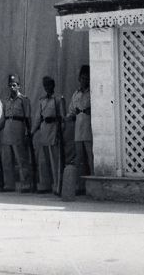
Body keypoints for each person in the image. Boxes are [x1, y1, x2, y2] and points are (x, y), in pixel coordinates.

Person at [0, 74, 32, 193]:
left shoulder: (24, 100)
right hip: (7, 131)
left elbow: (28, 118)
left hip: (18, 130)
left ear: (19, 86)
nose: (12, 87)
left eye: (14, 85)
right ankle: (9, 184)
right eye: (10, 85)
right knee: (7, 159)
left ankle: (26, 184)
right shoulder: (6, 101)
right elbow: (3, 118)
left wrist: (28, 132)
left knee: (21, 159)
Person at [33, 76, 64, 195]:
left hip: (54, 130)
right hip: (44, 131)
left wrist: (60, 131)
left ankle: (57, 185)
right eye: (45, 85)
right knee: (43, 161)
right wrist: (32, 131)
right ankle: (45, 185)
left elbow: (62, 116)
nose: (47, 87)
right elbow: (38, 118)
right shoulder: (42, 100)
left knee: (55, 160)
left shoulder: (57, 99)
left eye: (49, 85)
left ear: (53, 86)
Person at [68, 65, 93, 194]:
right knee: (79, 159)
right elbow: (71, 111)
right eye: (82, 78)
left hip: (89, 129)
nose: (84, 81)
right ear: (79, 79)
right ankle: (80, 186)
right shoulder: (76, 94)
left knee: (90, 158)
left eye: (87, 78)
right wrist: (69, 117)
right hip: (78, 129)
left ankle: (93, 185)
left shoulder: (92, 93)